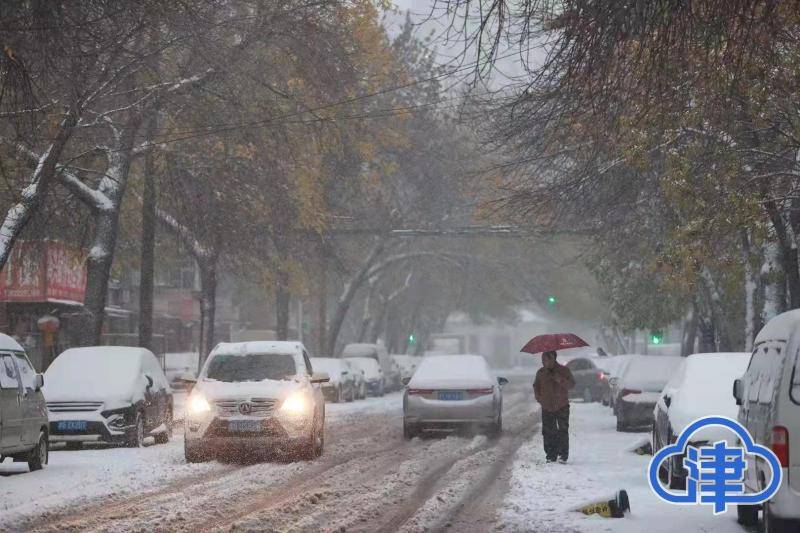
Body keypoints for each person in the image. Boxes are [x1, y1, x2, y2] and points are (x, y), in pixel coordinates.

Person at [533, 350, 575, 463]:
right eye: (543, 360)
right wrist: (539, 398)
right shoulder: (541, 373)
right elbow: (536, 386)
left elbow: (571, 384)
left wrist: (559, 379)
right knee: (548, 432)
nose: (545, 362)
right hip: (547, 406)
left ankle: (563, 455)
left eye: (547, 359)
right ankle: (551, 454)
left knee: (562, 430)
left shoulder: (563, 370)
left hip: (562, 405)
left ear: (554, 359)